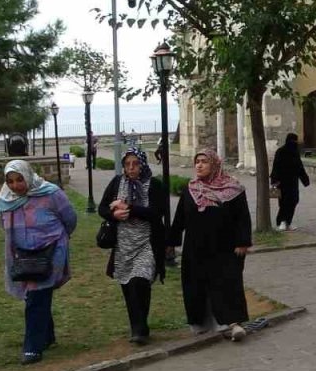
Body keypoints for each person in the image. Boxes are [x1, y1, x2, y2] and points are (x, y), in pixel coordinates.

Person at [0, 159, 77, 365]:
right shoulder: (6, 198)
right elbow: (1, 222)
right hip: (23, 256)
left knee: (36, 296)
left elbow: (70, 218)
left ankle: (32, 347)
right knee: (35, 297)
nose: (15, 185)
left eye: (19, 180)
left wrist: (57, 239)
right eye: (11, 181)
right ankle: (47, 336)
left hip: (50, 253)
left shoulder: (51, 193)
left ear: (28, 176)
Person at [169, 149, 252, 342]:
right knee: (195, 284)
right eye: (197, 161)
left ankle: (232, 323)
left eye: (204, 162)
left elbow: (242, 218)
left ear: (214, 164)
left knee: (226, 283)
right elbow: (180, 218)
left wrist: (243, 242)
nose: (199, 165)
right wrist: (171, 242)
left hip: (224, 247)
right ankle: (201, 323)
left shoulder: (233, 189)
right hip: (195, 248)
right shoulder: (191, 189)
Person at [98, 148, 168, 345]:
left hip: (146, 244)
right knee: (129, 288)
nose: (131, 168)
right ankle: (137, 327)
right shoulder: (116, 183)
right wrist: (114, 214)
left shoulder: (154, 185)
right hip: (123, 246)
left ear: (143, 164)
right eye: (127, 164)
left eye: (135, 163)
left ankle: (141, 327)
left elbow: (157, 212)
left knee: (140, 282)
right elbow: (102, 208)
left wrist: (129, 209)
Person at [270, 132, 310, 231]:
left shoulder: (295, 153)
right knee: (283, 202)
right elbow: (276, 167)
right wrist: (274, 181)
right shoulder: (280, 151)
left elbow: (299, 167)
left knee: (294, 201)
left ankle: (288, 221)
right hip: (282, 182)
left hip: (293, 182)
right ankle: (281, 222)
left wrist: (305, 180)